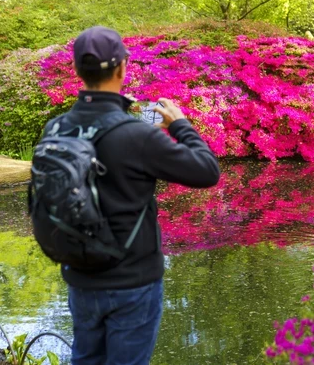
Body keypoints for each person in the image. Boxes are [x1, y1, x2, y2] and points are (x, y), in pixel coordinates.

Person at [39, 26, 221, 365]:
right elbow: (207, 171)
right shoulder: (137, 136)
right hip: (132, 283)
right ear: (123, 67)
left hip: (80, 276)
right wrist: (180, 125)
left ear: (78, 70)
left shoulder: (56, 128)